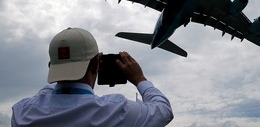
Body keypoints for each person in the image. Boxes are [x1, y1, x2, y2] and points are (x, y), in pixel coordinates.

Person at [12, 27, 174, 126]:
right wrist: (140, 79)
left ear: (50, 67)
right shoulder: (117, 110)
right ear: (97, 64)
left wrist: (63, 68)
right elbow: (164, 111)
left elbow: (46, 93)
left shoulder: (22, 113)